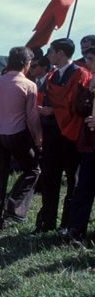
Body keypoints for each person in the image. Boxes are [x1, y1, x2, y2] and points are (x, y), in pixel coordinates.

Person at [0, 47, 42, 236]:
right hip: (17, 134)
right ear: (26, 63)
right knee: (33, 170)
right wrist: (39, 138)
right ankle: (14, 205)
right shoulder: (29, 85)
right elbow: (32, 118)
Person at [35, 38, 92, 233]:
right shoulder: (52, 76)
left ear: (60, 53)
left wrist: (53, 111)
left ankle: (67, 223)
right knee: (49, 176)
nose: (48, 55)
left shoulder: (80, 74)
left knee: (71, 180)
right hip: (52, 133)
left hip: (71, 134)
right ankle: (47, 220)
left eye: (50, 51)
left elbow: (79, 106)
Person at [60, 47, 95, 243]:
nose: (86, 62)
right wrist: (88, 93)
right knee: (84, 188)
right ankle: (76, 230)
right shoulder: (89, 81)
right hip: (89, 144)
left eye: (90, 59)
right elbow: (79, 109)